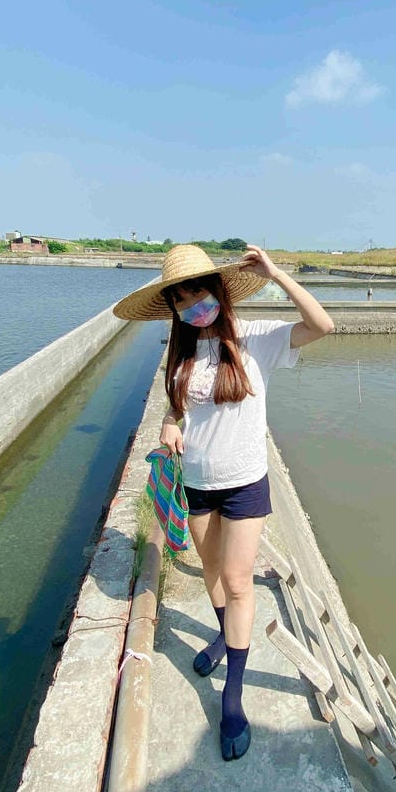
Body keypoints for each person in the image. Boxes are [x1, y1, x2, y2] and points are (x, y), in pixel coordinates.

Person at [113, 243, 334, 761]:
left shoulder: (256, 339)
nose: (194, 305)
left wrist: (277, 273)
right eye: (182, 299)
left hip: (245, 482)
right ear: (173, 307)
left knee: (237, 581)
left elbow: (322, 325)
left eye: (199, 292)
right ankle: (221, 638)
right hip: (196, 482)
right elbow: (177, 408)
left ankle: (233, 696)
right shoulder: (180, 351)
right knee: (211, 570)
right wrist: (170, 424)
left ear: (218, 292)